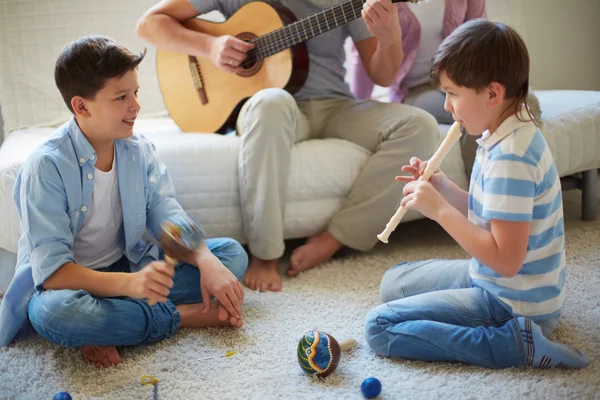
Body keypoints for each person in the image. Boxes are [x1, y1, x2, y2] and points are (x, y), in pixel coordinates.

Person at [136, 0, 439, 292]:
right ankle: (265, 254)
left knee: (420, 125)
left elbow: (383, 75)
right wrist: (211, 46)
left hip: (335, 104)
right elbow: (149, 24)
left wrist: (390, 36)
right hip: (271, 109)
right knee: (272, 101)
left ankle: (334, 239)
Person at [0, 36, 248, 368]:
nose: (135, 106)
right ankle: (181, 317)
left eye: (136, 92)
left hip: (129, 265)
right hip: (73, 284)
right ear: (81, 106)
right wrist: (132, 286)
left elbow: (168, 215)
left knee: (230, 255)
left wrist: (204, 259)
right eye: (121, 97)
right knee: (54, 315)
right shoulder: (45, 167)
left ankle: (115, 328)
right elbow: (54, 274)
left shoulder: (139, 151)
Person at [364, 20, 590, 369]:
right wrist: (442, 187)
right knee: (394, 283)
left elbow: (505, 259)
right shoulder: (503, 130)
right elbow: (489, 215)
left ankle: (516, 343)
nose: (448, 106)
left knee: (379, 327)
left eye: (453, 94)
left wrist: (439, 210)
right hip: (495, 280)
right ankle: (506, 330)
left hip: (513, 303)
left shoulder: (512, 157)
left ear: (492, 94)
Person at [351, 0, 488, 177]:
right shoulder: (378, 3)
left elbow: (483, 40)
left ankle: (516, 192)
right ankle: (481, 196)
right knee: (473, 109)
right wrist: (359, 109)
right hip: (416, 90)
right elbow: (364, 58)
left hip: (463, 83)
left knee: (521, 102)